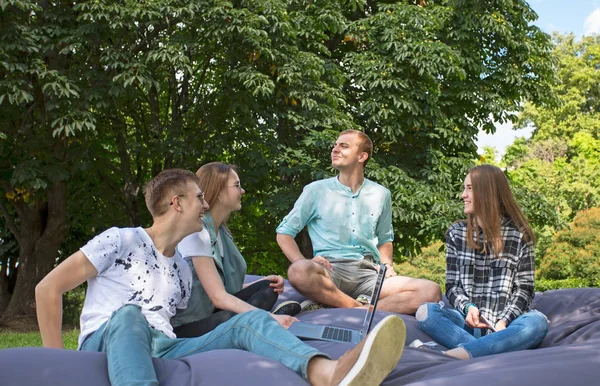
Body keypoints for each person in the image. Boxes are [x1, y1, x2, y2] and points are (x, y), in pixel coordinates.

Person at [35, 168, 408, 386]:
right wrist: (57, 364)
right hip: (107, 338)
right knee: (130, 315)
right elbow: (47, 288)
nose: (206, 204)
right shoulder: (121, 239)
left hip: (163, 345)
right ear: (176, 203)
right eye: (200, 197)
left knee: (248, 322)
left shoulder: (181, 270)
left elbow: (202, 310)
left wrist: (260, 306)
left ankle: (327, 372)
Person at [276, 129, 441, 314]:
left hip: (369, 274)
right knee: (298, 271)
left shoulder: (381, 194)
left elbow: (385, 238)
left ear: (362, 156)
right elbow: (284, 233)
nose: (335, 149)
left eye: (343, 146)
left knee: (431, 290)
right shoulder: (315, 190)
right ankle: (357, 307)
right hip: (330, 271)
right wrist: (301, 260)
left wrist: (387, 266)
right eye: (335, 145)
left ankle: (351, 307)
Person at [415, 164, 549, 359]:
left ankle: (453, 355)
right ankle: (483, 352)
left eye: (469, 188)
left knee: (537, 322)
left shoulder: (520, 235)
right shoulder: (456, 233)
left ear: (487, 192)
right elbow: (452, 286)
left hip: (508, 326)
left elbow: (524, 289)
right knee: (426, 312)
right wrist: (468, 308)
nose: (463, 195)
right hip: (467, 322)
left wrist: (504, 321)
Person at [172, 162, 300, 338]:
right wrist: (269, 318)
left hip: (210, 309)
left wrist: (258, 283)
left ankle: (259, 318)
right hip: (186, 325)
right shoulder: (197, 232)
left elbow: (219, 285)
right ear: (218, 191)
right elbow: (218, 297)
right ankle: (266, 319)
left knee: (267, 287)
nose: (243, 191)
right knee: (232, 317)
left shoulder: (221, 232)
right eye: (237, 185)